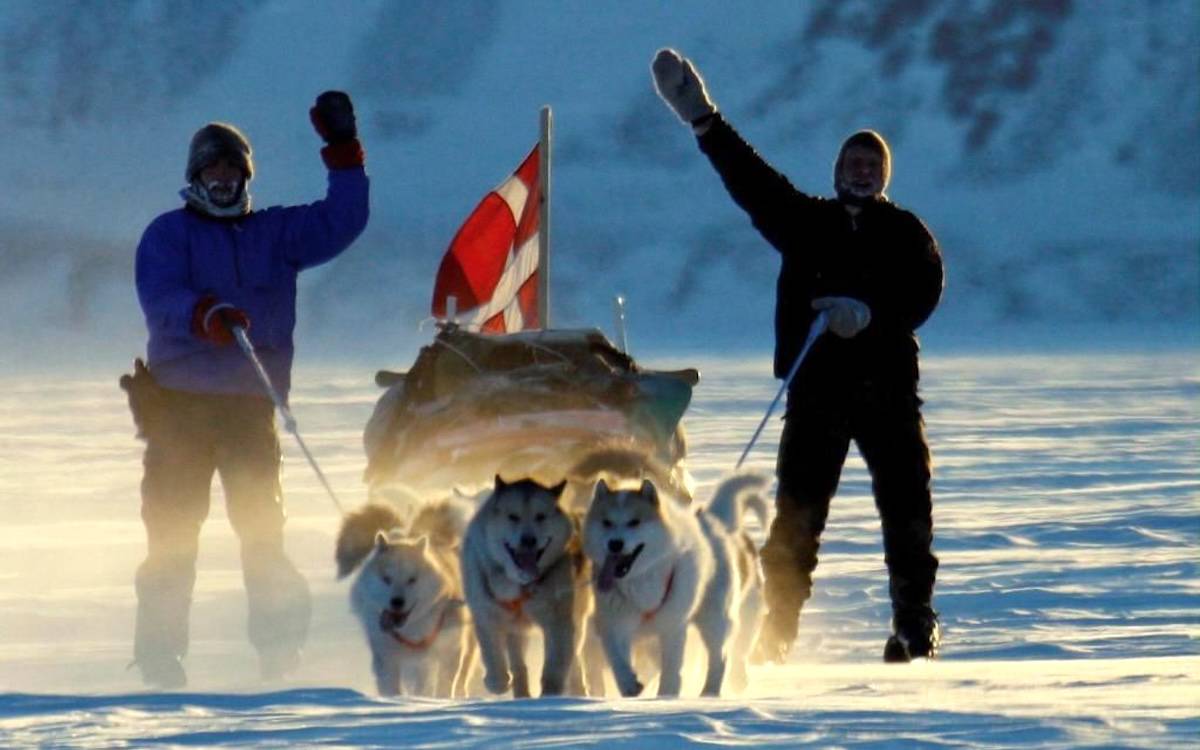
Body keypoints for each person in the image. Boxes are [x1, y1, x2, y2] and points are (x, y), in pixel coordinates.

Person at [651, 49, 944, 663]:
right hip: (819, 397)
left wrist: (867, 317)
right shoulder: (805, 221)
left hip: (888, 394)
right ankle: (775, 630)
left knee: (907, 510)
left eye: (871, 165)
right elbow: (750, 179)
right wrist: (702, 118)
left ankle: (914, 623)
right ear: (836, 169)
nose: (860, 172)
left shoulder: (907, 233)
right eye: (852, 162)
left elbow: (924, 291)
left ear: (884, 176)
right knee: (797, 521)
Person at [125, 91, 369, 688]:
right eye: (213, 168)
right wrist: (204, 313)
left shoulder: (276, 234)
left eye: (233, 168)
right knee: (173, 539)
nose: (223, 177)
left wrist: (343, 151)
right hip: (179, 410)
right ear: (195, 175)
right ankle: (160, 663)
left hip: (249, 408)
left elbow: (344, 220)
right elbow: (160, 299)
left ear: (245, 176)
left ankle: (280, 657)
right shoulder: (167, 234)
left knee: (264, 536)